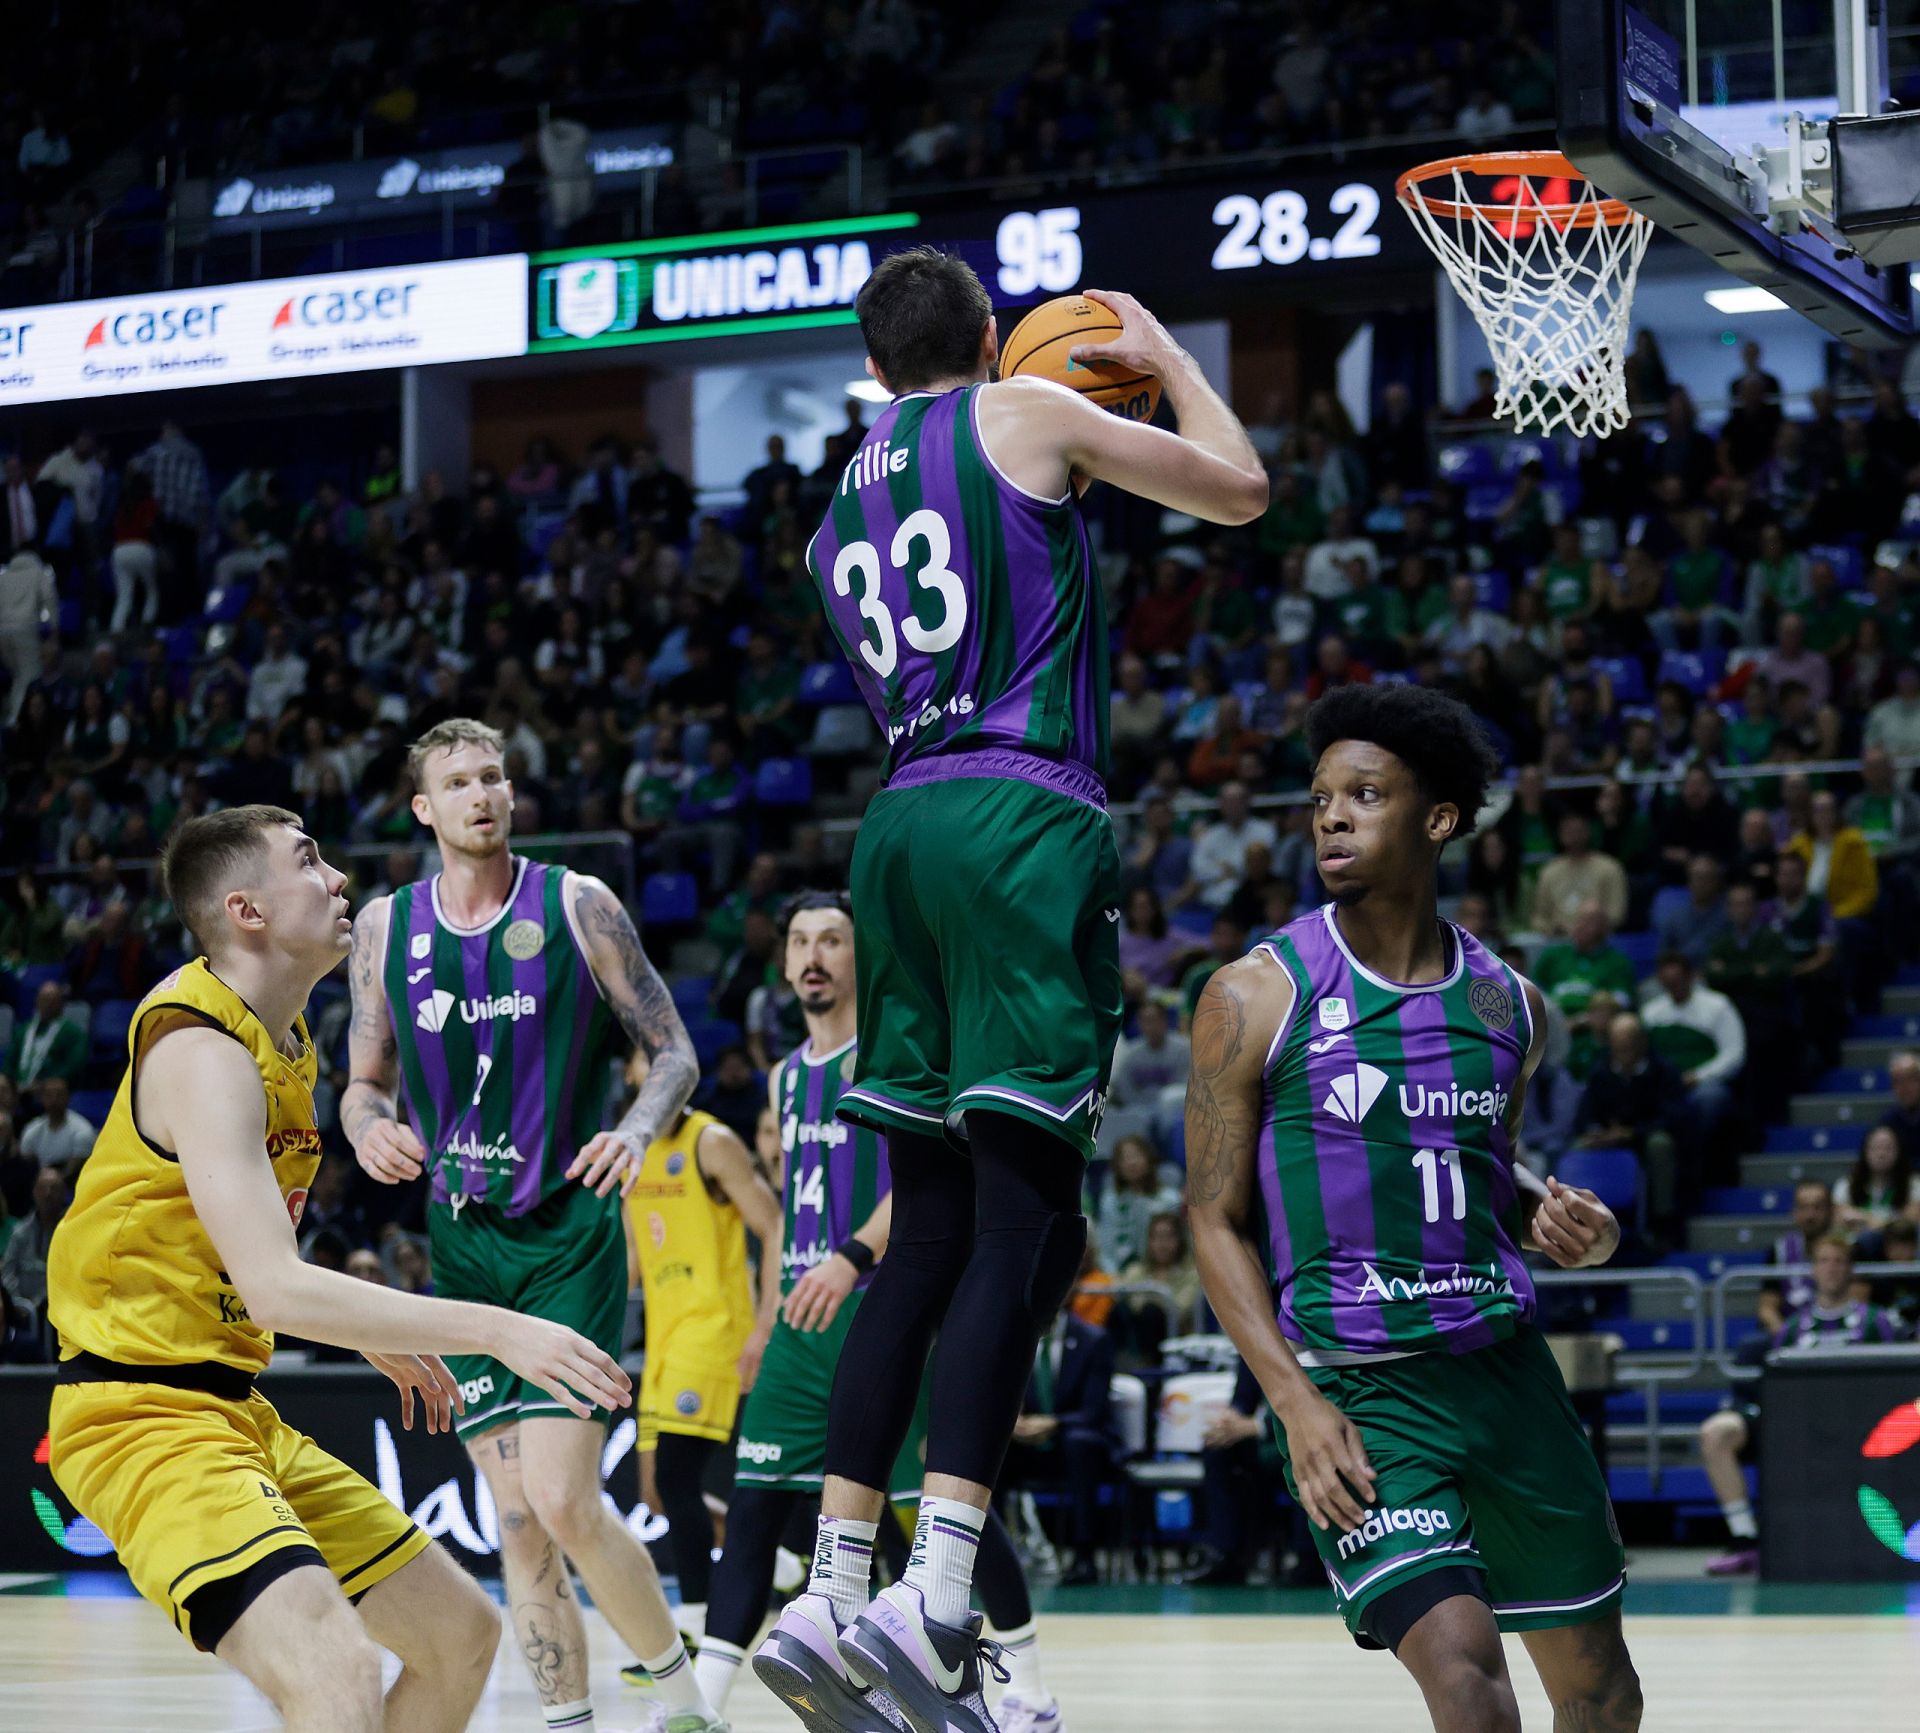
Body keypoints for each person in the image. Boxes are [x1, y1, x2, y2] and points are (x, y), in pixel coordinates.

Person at [785, 251, 1266, 1732]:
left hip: (894, 830)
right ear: (991, 340)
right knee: (1021, 1218)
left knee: (924, 1225)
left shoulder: (829, 516)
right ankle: (938, 1601)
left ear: (874, 370)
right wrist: (1170, 358)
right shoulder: (1031, 414)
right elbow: (1240, 488)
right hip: (1019, 816)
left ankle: (831, 1579)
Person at [45, 806, 630, 1730]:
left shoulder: (285, 1042)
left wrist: (364, 1332)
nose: (339, 878)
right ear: (247, 910)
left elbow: (244, 1259)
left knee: (460, 1636)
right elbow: (276, 1283)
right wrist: (499, 1326)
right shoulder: (202, 1053)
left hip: (237, 1408)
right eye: (309, 861)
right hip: (140, 1416)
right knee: (337, 1672)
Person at [1184, 683, 1641, 1732]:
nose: (1332, 816)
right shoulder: (1254, 994)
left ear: (1438, 818)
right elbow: (1213, 1220)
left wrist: (1568, 1222)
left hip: (1506, 1376)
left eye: (1365, 794)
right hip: (1364, 1392)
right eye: (1320, 798)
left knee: (1604, 1692)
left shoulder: (1508, 1004)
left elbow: (1483, 1170)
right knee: (1468, 1675)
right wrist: (1292, 1403)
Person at [341, 721, 726, 1733]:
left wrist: (640, 1127)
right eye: (458, 780)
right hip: (464, 1251)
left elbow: (674, 1049)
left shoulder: (577, 903)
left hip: (568, 1235)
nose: (483, 792)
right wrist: (371, 1129)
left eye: (495, 775)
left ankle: (683, 1698)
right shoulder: (386, 928)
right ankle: (571, 1721)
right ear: (423, 807)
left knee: (559, 1499)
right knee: (515, 1520)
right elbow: (361, 1082)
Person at [710, 894, 1064, 1733]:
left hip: (880, 1299)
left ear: (858, 955)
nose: (813, 954)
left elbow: (928, 1188)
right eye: (798, 939)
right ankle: (700, 1708)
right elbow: (782, 1218)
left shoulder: (893, 1049)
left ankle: (1032, 1687)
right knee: (754, 1504)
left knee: (936, 1504)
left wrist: (854, 1253)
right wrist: (765, 1319)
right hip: (801, 1310)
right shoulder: (784, 1074)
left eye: (832, 937)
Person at [621, 1051, 783, 1654]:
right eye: (642, 1064)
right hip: (662, 1343)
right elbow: (633, 1267)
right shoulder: (630, 1154)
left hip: (713, 1332)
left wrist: (764, 1325)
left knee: (676, 1476)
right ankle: (777, 1563)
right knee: (656, 1494)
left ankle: (691, 1629)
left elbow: (774, 1226)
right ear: (633, 1078)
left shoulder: (710, 1141)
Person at [1699, 1234, 1903, 1576]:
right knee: (1716, 1432)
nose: (1832, 1269)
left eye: (1839, 1261)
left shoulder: (1876, 1323)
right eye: (1824, 1261)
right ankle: (1746, 1541)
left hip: (1867, 1426)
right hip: (1802, 1427)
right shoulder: (1792, 1329)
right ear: (1812, 1270)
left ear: (1851, 1270)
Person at [1000, 1295, 1120, 1588]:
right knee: (991, 1446)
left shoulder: (1093, 1339)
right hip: (1025, 1441)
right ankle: (993, 1558)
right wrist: (1013, 1421)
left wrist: (1053, 1423)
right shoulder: (1013, 1338)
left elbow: (1095, 1411)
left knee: (1079, 1443)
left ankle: (1084, 1556)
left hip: (1075, 1439)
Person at [1756, 1180, 1834, 1335]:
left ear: (1831, 1211)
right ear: (1794, 1211)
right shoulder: (1779, 1251)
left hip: (1837, 1331)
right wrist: (1786, 1335)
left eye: (1817, 1208)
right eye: (1803, 1207)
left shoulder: (1849, 1248)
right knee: (1751, 1346)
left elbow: (1858, 1302)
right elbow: (1767, 1308)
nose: (1810, 1215)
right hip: (1791, 1332)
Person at [1833, 1125, 1918, 1236]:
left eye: (1888, 1148)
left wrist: (1864, 1218)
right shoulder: (1845, 1185)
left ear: (1899, 1151)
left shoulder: (1914, 1185)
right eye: (1876, 1147)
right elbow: (1840, 1220)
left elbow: (1911, 1221)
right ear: (1865, 1151)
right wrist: (1890, 1222)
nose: (1881, 1154)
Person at [8, 978, 85, 1088]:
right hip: (19, 1084)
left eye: (52, 1001)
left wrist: (44, 1082)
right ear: (37, 1001)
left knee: (54, 1086)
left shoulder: (73, 1032)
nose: (48, 1005)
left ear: (61, 1004)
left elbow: (74, 1065)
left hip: (49, 1085)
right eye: (44, 1000)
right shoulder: (23, 1030)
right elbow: (10, 1060)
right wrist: (8, 1078)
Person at [19, 1075, 96, 1179]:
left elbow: (73, 1171)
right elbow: (26, 1165)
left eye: (59, 1095)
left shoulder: (82, 1130)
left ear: (68, 1097)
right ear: (41, 1098)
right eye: (49, 1095)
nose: (54, 1100)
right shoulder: (31, 1130)